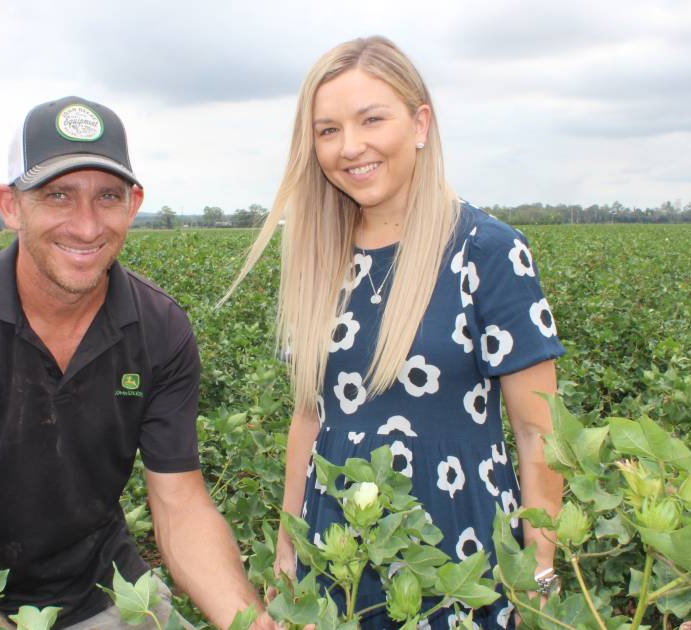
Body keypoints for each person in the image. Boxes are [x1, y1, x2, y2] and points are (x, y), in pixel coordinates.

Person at [0, 96, 270, 629]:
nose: (87, 226)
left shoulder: (159, 327)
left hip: (109, 591)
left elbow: (180, 505)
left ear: (133, 204)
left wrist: (251, 622)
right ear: (10, 205)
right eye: (58, 196)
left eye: (107, 196)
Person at [225, 37, 565, 628]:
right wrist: (289, 547)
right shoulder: (314, 256)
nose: (350, 146)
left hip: (460, 557)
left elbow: (540, 433)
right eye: (327, 130)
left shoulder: (487, 250)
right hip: (337, 557)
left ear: (420, 124)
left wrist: (538, 570)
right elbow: (310, 418)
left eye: (371, 119)